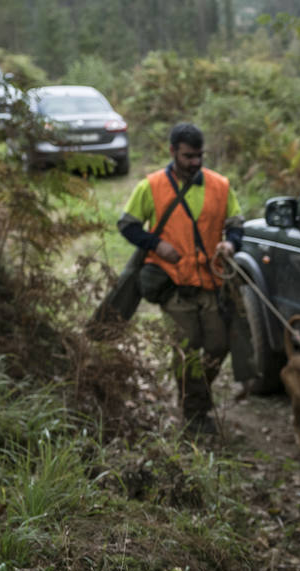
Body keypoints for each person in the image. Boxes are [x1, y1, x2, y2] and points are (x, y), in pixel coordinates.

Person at [118, 122, 243, 437]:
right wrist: (156, 244)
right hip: (173, 284)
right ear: (172, 151)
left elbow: (236, 224)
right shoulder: (151, 186)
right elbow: (127, 225)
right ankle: (195, 414)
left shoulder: (220, 185)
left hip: (212, 283)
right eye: (188, 156)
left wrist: (231, 243)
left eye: (199, 155)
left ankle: (195, 396)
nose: (195, 162)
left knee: (218, 346)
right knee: (188, 349)